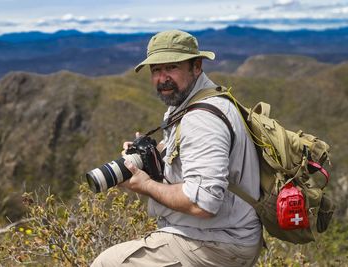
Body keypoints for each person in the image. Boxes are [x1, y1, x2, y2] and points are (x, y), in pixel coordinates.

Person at [91, 30, 262, 267]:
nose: (162, 78)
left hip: (219, 242)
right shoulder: (187, 105)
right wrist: (152, 159)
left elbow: (202, 203)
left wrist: (146, 186)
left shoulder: (201, 119)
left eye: (171, 67)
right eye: (156, 70)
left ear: (196, 66)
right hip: (224, 234)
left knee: (107, 263)